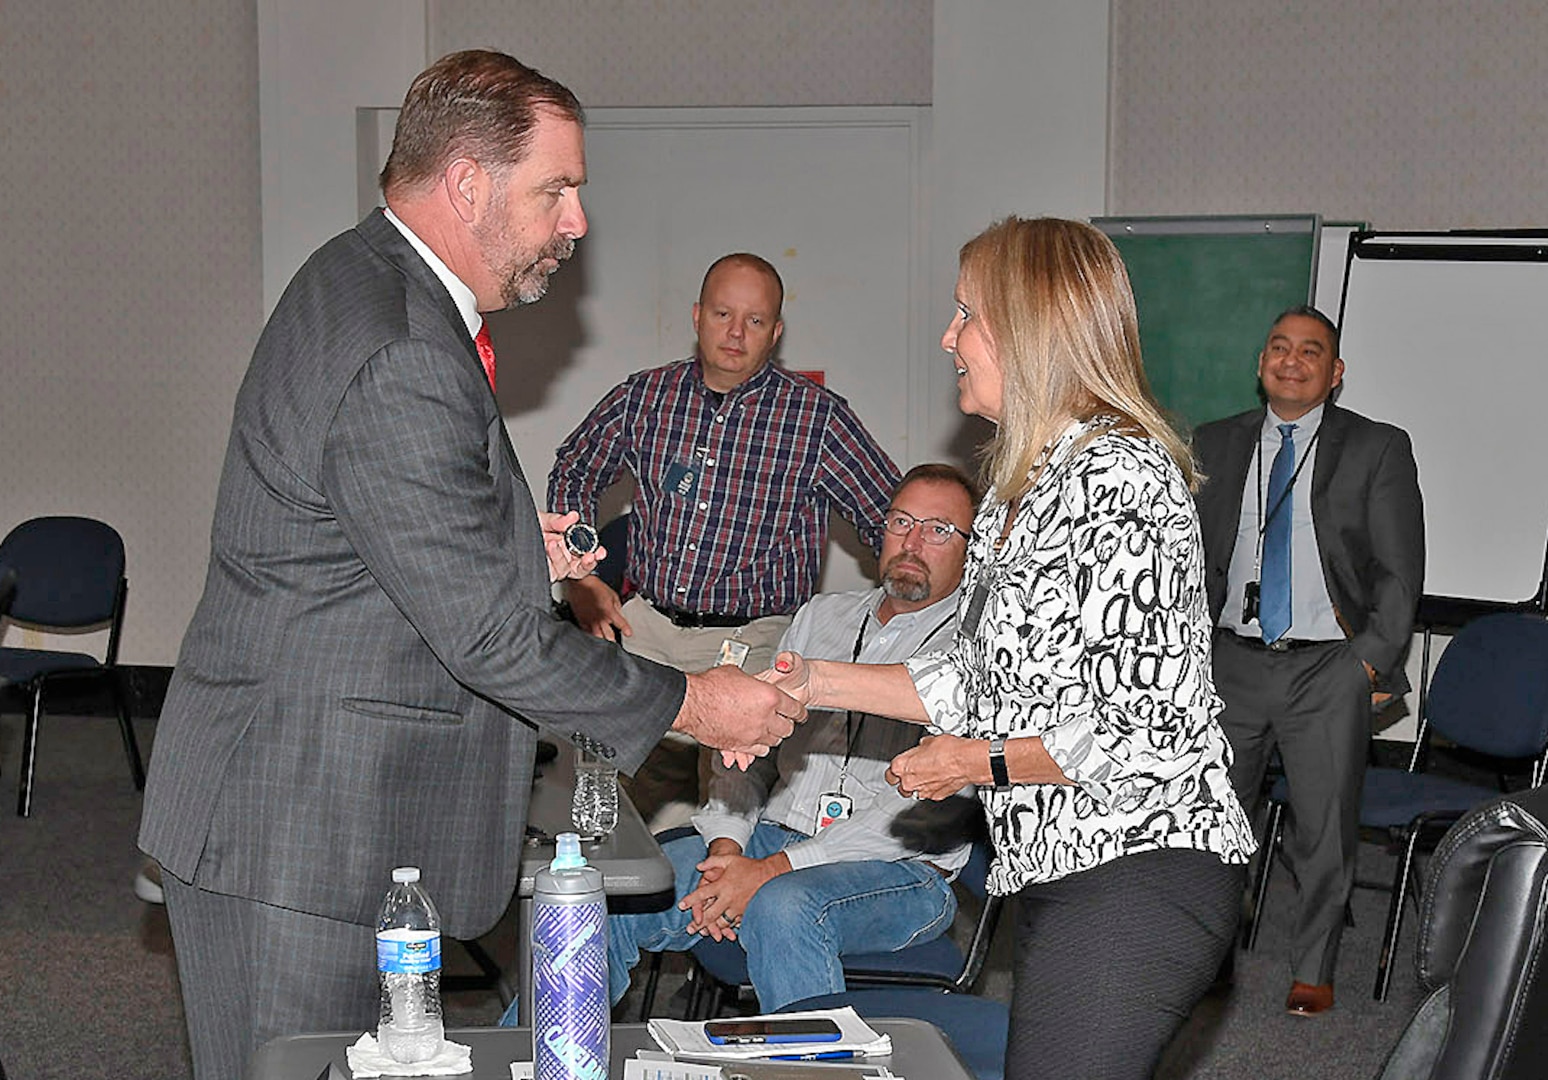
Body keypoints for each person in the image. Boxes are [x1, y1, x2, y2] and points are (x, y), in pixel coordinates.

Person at [136, 51, 801, 1080]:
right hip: (297, 832)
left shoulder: (364, 275)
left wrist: (495, 541)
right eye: (558, 190)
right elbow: (488, 640)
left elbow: (358, 536)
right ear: (466, 185)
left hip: (313, 808)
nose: (578, 221)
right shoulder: (401, 341)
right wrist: (699, 705)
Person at [765, 217, 1257, 1080]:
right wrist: (809, 679)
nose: (949, 338)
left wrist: (972, 764)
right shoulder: (1017, 493)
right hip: (1067, 868)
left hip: (1143, 868)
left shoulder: (1121, 479)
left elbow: (1137, 731)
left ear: (1030, 329)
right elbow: (973, 679)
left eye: (966, 315)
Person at [596, 464, 979, 1014]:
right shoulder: (823, 616)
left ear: (974, 546)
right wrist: (728, 848)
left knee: (783, 905)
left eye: (939, 529)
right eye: (901, 521)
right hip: (770, 840)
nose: (913, 541)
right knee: (608, 897)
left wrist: (766, 872)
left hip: (902, 872)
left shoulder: (977, 646)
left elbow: (912, 816)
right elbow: (749, 745)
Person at [547, 252, 900, 826]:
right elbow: (575, 466)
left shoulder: (816, 419)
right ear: (696, 316)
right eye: (722, 314)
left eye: (755, 321)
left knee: (729, 812)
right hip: (652, 627)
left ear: (776, 332)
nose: (735, 333)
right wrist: (582, 576)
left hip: (755, 637)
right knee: (606, 802)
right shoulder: (646, 398)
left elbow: (889, 518)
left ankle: (725, 895)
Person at [1193, 305, 1424, 1016]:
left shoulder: (1377, 447)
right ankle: (1207, 960)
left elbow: (1398, 570)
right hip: (1230, 661)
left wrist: (1368, 664)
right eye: (1279, 348)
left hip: (1329, 668)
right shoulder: (1215, 442)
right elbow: (1193, 558)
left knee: (1322, 826)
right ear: (1261, 362)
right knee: (1210, 823)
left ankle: (1315, 964)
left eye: (1311, 352)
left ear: (1336, 373)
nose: (1292, 361)